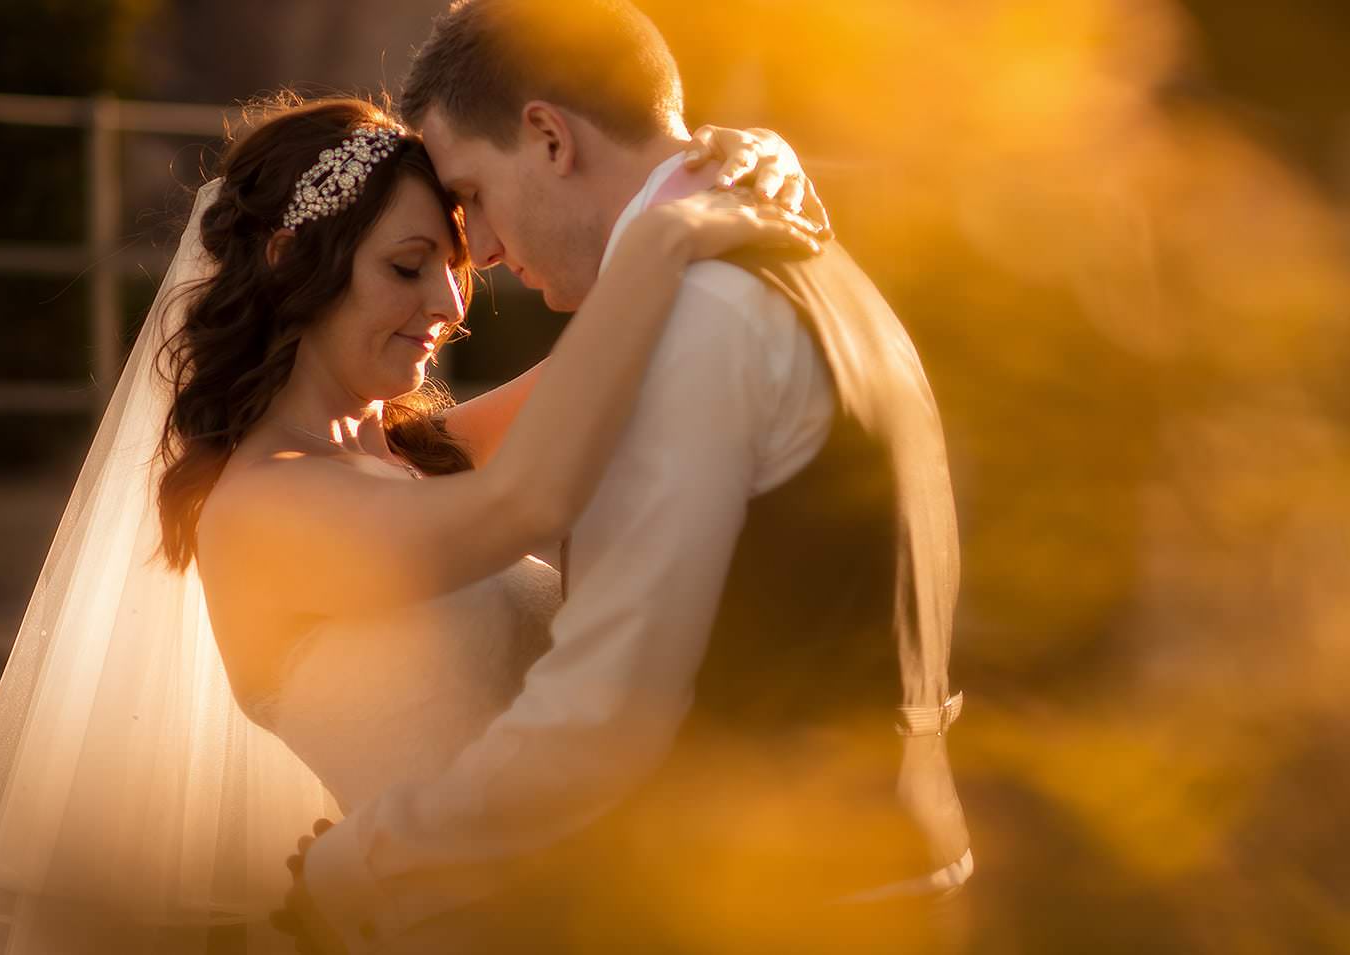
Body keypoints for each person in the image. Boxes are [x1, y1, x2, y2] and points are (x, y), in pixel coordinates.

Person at [0, 92, 826, 955]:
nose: (452, 306)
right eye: (408, 267)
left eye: (454, 269)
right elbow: (528, 504)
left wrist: (747, 163)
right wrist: (663, 241)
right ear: (296, 261)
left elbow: (626, 354)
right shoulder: (260, 507)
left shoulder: (422, 460)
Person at [291, 1, 973, 952]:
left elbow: (605, 715)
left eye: (474, 194)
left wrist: (362, 864)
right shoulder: (809, 263)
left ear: (548, 138)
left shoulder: (700, 315)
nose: (476, 250)